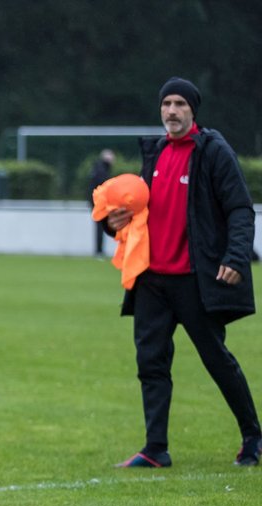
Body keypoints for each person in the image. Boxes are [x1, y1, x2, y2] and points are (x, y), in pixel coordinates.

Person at [106, 77, 259, 468]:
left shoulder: (213, 151)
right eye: (166, 104)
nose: (171, 111)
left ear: (193, 110)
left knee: (216, 359)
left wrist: (236, 257)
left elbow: (240, 209)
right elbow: (140, 212)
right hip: (152, 280)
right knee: (151, 362)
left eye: (179, 104)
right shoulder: (154, 152)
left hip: (195, 280)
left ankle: (253, 438)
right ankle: (156, 448)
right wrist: (113, 223)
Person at [87, 149, 115, 256]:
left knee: (100, 227)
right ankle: (99, 251)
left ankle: (99, 250)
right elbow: (103, 186)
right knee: (100, 227)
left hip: (96, 202)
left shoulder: (97, 168)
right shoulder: (102, 170)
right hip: (99, 203)